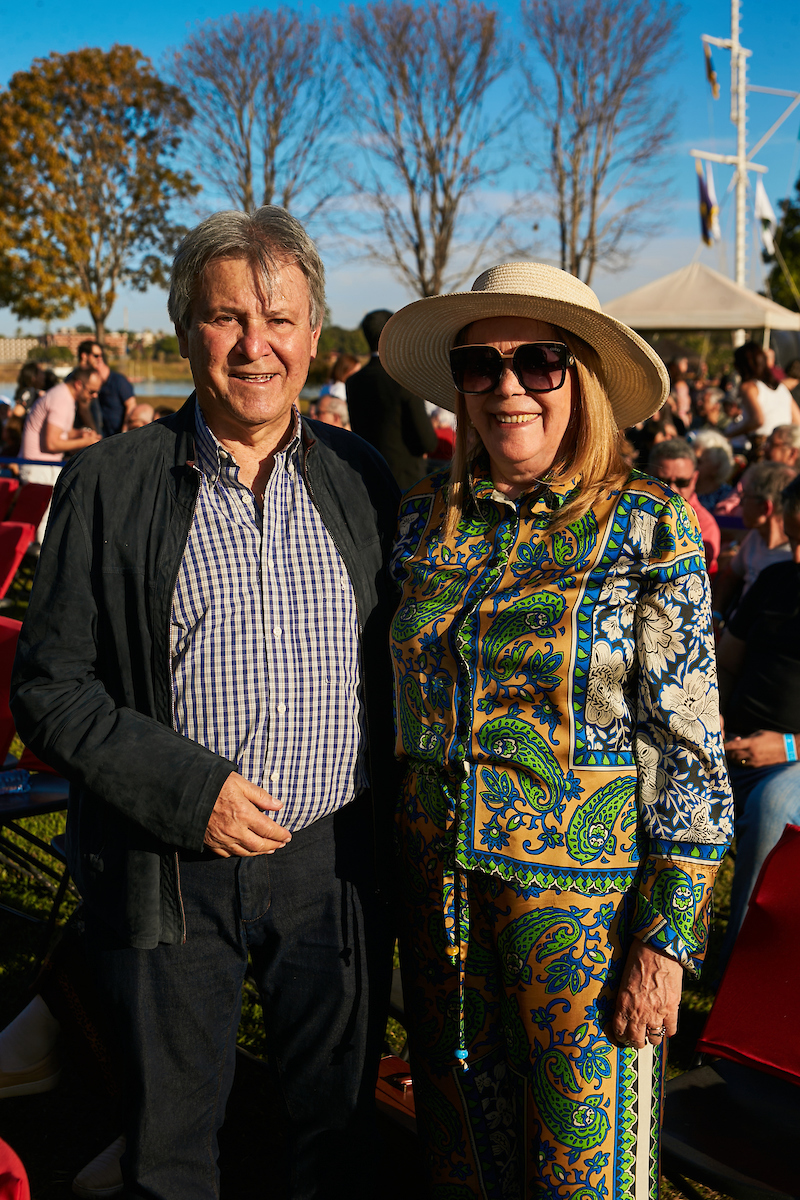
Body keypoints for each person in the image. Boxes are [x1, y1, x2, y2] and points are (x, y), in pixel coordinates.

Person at [11, 205, 400, 1200]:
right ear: (187, 329)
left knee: (332, 1130)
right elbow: (51, 689)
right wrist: (192, 794)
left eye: (280, 318)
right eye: (228, 317)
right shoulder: (108, 482)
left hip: (333, 867)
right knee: (170, 1148)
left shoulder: (361, 480)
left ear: (316, 337)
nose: (255, 344)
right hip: (169, 864)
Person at [379, 262, 732, 1197]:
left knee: (586, 1178)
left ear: (583, 381)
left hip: (588, 924)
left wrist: (665, 942)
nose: (507, 388)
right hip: (439, 906)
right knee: (462, 1161)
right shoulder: (423, 523)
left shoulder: (646, 523)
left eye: (538, 363)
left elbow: (690, 751)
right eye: (480, 365)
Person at [716, 474, 800, 972]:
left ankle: (735, 986)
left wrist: (789, 747)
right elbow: (726, 664)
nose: (796, 557)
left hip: (789, 763)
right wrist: (709, 719)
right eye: (794, 540)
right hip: (731, 743)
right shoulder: (775, 579)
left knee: (772, 808)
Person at [346, 309, 437, 489]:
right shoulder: (404, 379)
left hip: (367, 478)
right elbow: (427, 441)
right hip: (406, 480)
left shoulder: (353, 381)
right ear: (393, 333)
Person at [19, 366, 102, 543]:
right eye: (92, 391)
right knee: (43, 528)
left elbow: (59, 432)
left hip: (40, 467)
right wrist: (86, 443)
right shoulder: (61, 400)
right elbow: (52, 443)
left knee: (44, 524)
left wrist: (79, 433)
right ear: (79, 384)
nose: (94, 396)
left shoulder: (62, 395)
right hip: (39, 469)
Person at [714, 460, 796, 616]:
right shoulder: (755, 536)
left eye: (744, 497)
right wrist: (716, 615)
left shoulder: (793, 554)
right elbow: (730, 576)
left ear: (765, 507)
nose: (739, 505)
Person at [649, 437, 721, 574]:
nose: (672, 489)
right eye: (662, 481)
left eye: (682, 482)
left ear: (694, 479)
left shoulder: (704, 525)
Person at [725, 341, 800, 441]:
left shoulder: (749, 387)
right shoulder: (781, 388)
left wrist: (729, 435)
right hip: (783, 445)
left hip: (762, 443)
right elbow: (797, 421)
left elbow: (758, 420)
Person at [77, 341, 135, 438]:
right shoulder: (80, 380)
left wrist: (125, 431)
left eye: (101, 355)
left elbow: (131, 405)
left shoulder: (118, 381)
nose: (99, 358)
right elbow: (84, 409)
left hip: (116, 436)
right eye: (96, 356)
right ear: (84, 356)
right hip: (99, 437)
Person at [692, 429, 735, 510]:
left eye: (698, 461)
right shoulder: (681, 489)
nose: (692, 465)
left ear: (716, 467)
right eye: (691, 459)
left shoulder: (728, 497)